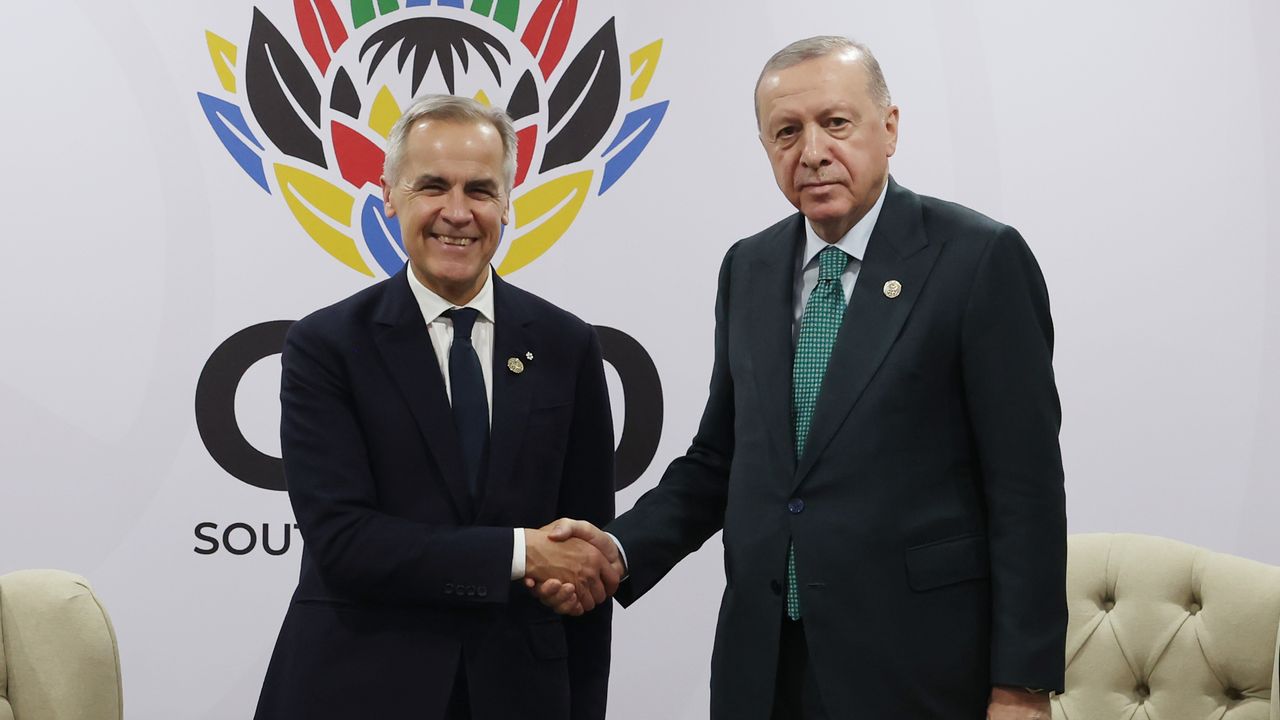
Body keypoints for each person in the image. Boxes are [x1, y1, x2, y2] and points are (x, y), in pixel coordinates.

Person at [536, 36, 1067, 719]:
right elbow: (719, 461)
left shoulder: (978, 259)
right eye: (786, 132)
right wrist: (616, 550)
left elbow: (1025, 490)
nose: (812, 151)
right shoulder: (748, 267)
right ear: (765, 146)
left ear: (890, 128)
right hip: (763, 669)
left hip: (919, 671)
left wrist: (1022, 685)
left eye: (835, 123)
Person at [254, 95, 619, 720]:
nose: (457, 212)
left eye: (480, 190)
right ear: (390, 196)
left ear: (507, 203)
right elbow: (344, 541)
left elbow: (581, 557)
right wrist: (519, 553)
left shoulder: (568, 345)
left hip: (520, 694)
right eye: (432, 187)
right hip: (357, 690)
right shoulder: (327, 346)